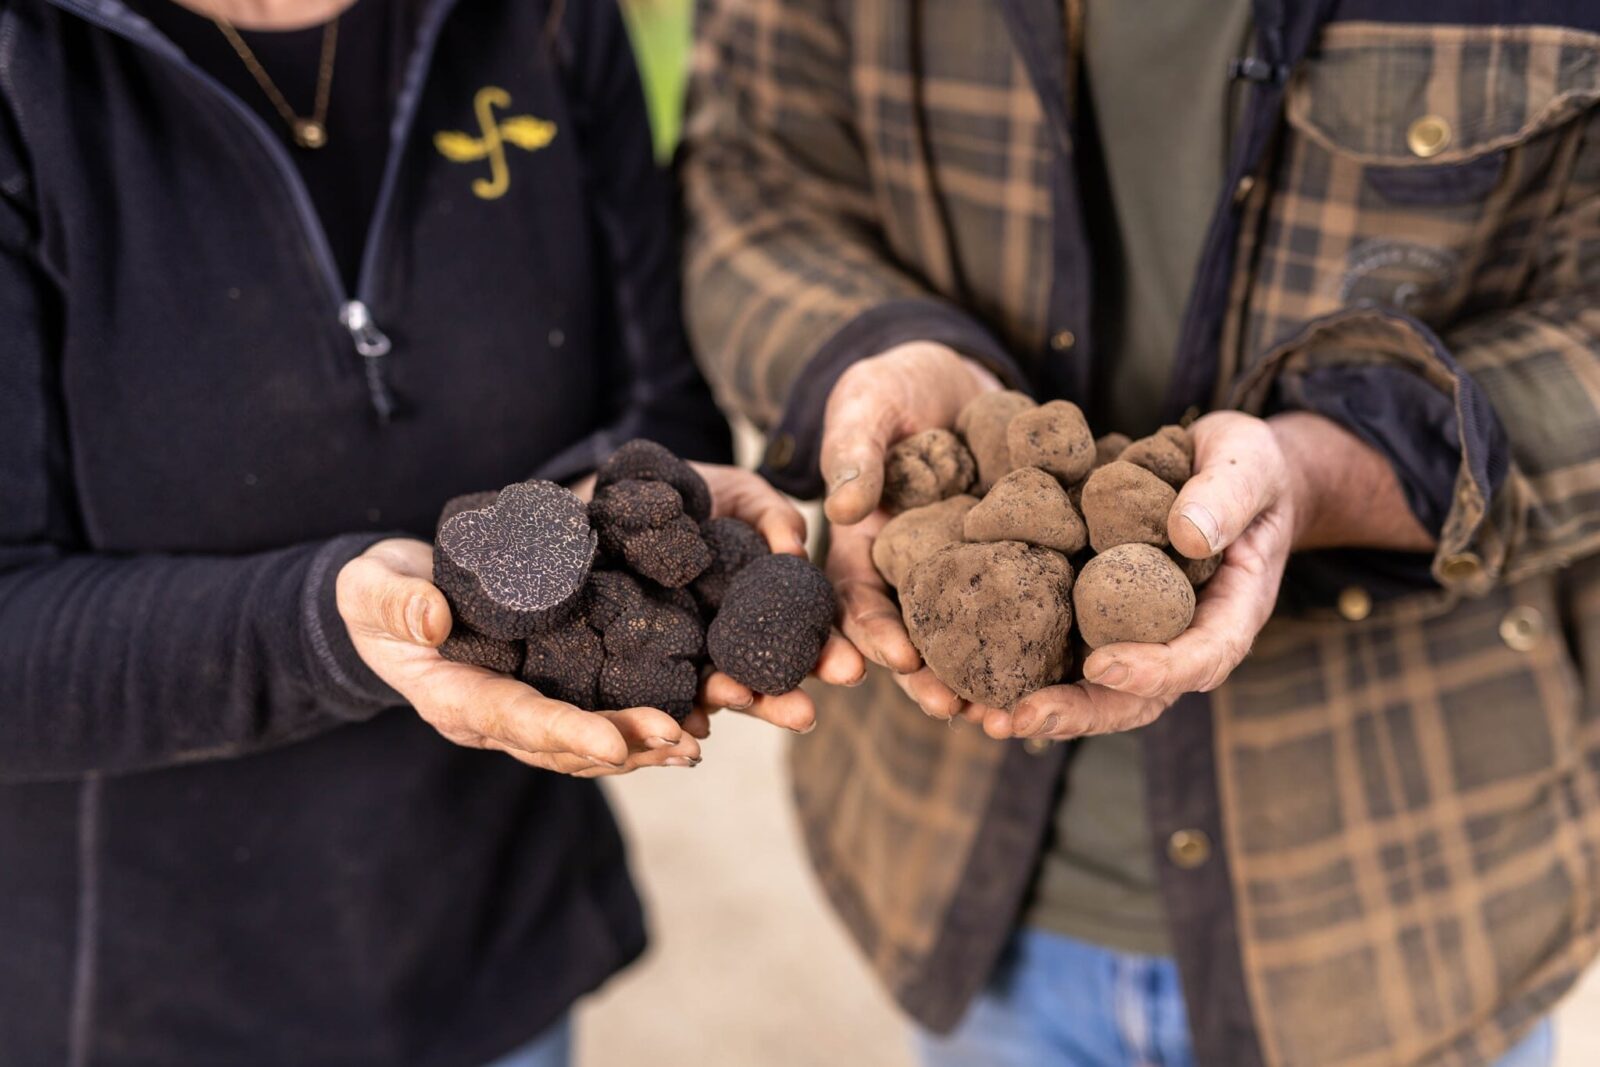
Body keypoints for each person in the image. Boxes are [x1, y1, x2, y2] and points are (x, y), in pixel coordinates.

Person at [683, 1, 1600, 1065]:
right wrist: (873, 353)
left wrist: (1330, 468)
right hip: (965, 885)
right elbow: (746, 174)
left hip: (1405, 907)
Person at [0, 0, 858, 1063]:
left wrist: (612, 519)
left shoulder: (545, 18)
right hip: (140, 1005)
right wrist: (326, 623)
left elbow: (657, 412)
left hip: (496, 955)